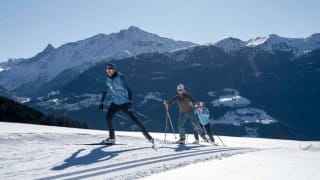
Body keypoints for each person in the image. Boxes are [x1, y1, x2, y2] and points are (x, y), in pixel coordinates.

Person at [99, 63, 155, 147]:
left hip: (124, 103)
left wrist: (129, 102)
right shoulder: (107, 79)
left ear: (114, 70)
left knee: (135, 119)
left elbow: (129, 90)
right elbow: (104, 91)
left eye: (111, 70)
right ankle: (112, 138)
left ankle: (149, 137)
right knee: (108, 118)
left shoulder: (120, 78)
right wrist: (101, 102)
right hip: (114, 103)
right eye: (107, 70)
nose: (109, 72)